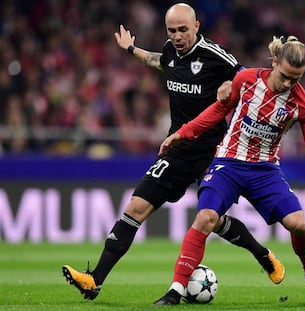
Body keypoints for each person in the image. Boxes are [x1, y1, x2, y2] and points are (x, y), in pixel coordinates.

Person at [61, 3, 285, 301]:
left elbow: (248, 77)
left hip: (213, 152)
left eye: (183, 30)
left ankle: (262, 254)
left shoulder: (215, 55)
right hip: (177, 147)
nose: (177, 36)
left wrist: (230, 83)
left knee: (211, 219)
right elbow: (159, 61)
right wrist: (131, 49)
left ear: (196, 26)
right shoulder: (170, 50)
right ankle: (94, 280)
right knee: (135, 208)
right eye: (172, 31)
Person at [155, 35, 305, 305]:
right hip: (228, 163)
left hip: (265, 170)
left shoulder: (303, 104)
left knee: (299, 225)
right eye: (286, 75)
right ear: (275, 62)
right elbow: (218, 111)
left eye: (296, 79)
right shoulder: (247, 80)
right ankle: (175, 291)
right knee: (205, 217)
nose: (288, 83)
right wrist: (182, 133)